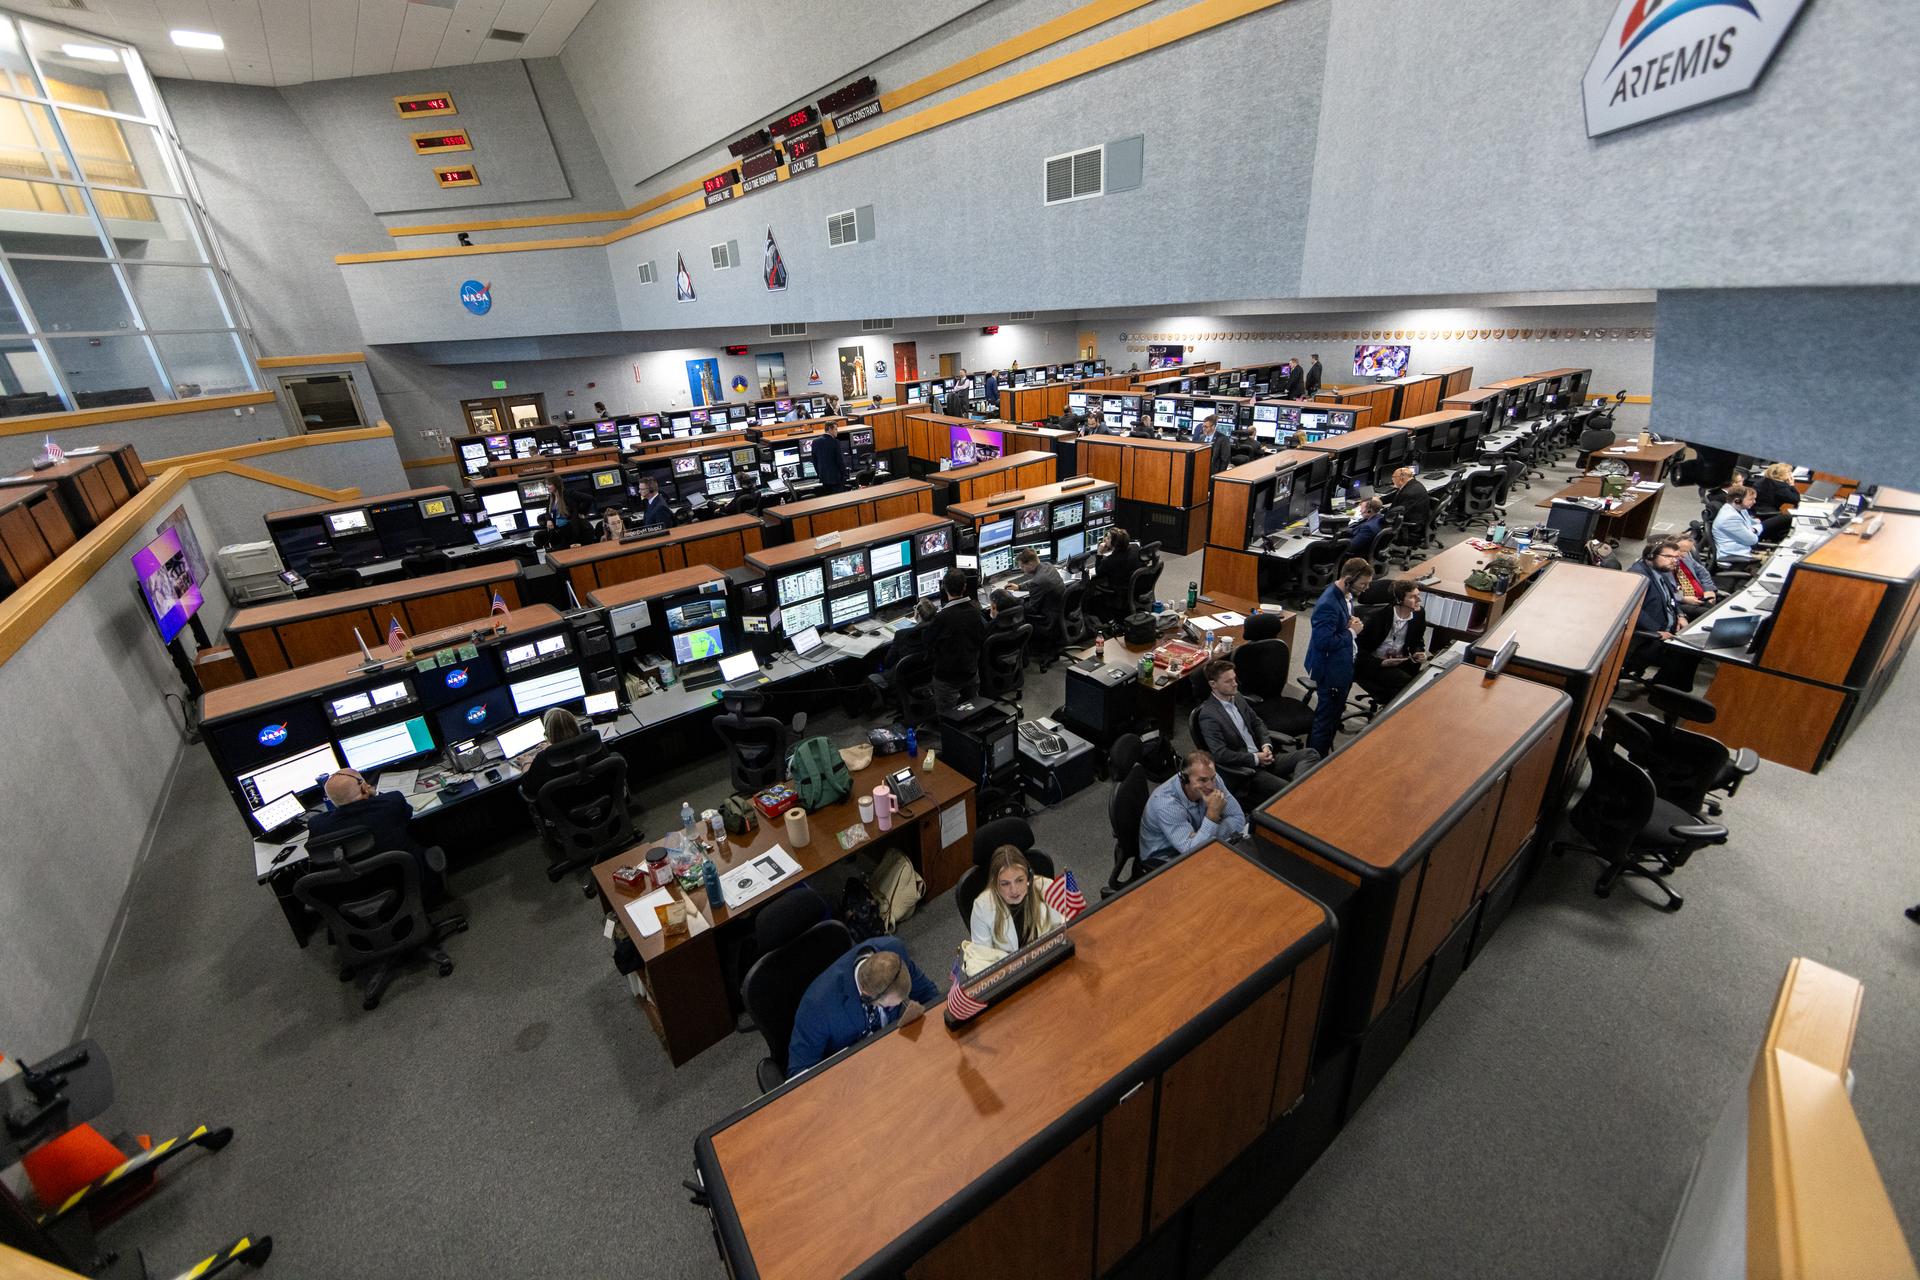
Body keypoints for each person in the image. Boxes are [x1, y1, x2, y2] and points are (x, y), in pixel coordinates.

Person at [786, 938, 938, 1077]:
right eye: (890, 1007)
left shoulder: (893, 952)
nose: (899, 1006)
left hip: (894, 1050)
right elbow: (799, 1072)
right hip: (851, 1072)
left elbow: (928, 993)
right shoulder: (816, 1008)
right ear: (867, 995)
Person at [306, 769, 450, 907]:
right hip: (407, 880)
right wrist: (374, 794)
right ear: (364, 787)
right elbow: (407, 814)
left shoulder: (317, 825)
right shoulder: (392, 802)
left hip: (355, 894)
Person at [1194, 659, 1319, 804]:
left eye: (1234, 678)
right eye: (1228, 681)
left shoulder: (1237, 696)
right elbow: (1220, 754)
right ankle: (1297, 795)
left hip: (1264, 757)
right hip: (1247, 771)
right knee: (1289, 791)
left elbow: (1257, 722)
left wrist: (1266, 745)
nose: (1235, 684)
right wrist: (1255, 758)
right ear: (1213, 684)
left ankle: (1297, 793)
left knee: (1310, 754)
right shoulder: (1209, 715)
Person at [1304, 557, 1371, 756]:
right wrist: (1352, 632)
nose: (1366, 588)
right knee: (1326, 721)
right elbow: (1323, 642)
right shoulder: (1328, 603)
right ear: (1348, 579)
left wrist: (1349, 621)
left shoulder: (1345, 595)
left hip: (1343, 664)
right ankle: (1315, 761)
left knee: (1334, 716)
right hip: (1331, 670)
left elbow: (1337, 624)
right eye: (1363, 584)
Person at [1138, 751, 1250, 868]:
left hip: (1196, 846)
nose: (1211, 786)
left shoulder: (1213, 779)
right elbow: (1193, 852)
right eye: (1202, 780)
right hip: (1166, 859)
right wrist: (1212, 815)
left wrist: (1201, 835)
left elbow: (1238, 818)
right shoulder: (1166, 804)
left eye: (1212, 778)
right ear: (1185, 779)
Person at [968, 846, 1069, 951]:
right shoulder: (982, 907)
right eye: (1005, 884)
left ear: (1028, 877)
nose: (1014, 890)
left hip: (1050, 954)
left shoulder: (1046, 887)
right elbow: (982, 956)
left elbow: (1067, 925)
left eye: (1019, 880)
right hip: (1008, 962)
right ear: (995, 885)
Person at [1624, 538, 1692, 689]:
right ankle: (1663, 693)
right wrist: (1656, 631)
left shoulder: (1661, 572)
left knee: (1694, 645)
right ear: (1650, 556)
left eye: (1676, 557)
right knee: (1687, 653)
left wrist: (1680, 615)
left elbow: (1671, 598)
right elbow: (1632, 609)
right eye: (1668, 556)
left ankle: (1666, 687)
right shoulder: (1638, 576)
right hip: (1649, 637)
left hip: (1669, 628)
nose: (1674, 561)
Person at [1354, 580, 1430, 703]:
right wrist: (1381, 663)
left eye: (1418, 595)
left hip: (1400, 662)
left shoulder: (1419, 614)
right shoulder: (1376, 618)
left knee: (1422, 682)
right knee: (1408, 687)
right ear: (1399, 600)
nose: (1419, 600)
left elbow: (1418, 641)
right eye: (1413, 597)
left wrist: (1418, 652)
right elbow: (1357, 650)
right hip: (1374, 664)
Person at [925, 567, 987, 713]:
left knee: (949, 717)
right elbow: (982, 636)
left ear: (944, 587)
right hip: (970, 671)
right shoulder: (975, 610)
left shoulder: (942, 617)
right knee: (972, 712)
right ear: (964, 587)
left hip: (947, 677)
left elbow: (927, 642)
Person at [515, 706, 611, 797]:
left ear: (548, 735)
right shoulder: (593, 743)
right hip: (600, 796)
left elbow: (528, 789)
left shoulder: (543, 758)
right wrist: (551, 748)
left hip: (565, 805)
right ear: (576, 726)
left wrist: (526, 763)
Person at [1670, 533, 1718, 618]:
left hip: (1702, 596)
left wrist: (1709, 589)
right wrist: (1683, 598)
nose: (1684, 554)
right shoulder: (1665, 565)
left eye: (1687, 551)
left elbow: (1703, 573)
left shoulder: (1686, 556)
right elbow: (1666, 591)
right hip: (1682, 603)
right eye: (1681, 550)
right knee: (1711, 614)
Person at [1713, 484, 1765, 558]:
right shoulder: (1730, 518)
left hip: (1745, 552)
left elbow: (1755, 523)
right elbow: (1752, 540)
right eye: (1751, 499)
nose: (1754, 502)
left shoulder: (1741, 509)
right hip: (1735, 557)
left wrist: (1752, 529)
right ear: (1737, 500)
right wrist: (1755, 529)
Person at [1752, 462, 1800, 540]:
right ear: (1781, 475)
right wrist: (1792, 485)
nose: (1791, 474)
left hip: (1754, 511)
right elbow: (1795, 499)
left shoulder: (1760, 481)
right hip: (1769, 514)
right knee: (1789, 519)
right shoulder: (1781, 486)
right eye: (1788, 472)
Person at [809, 420, 848, 494]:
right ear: (830, 429)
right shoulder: (835, 442)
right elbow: (840, 461)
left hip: (824, 479)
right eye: (835, 429)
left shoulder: (815, 442)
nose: (837, 431)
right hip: (836, 479)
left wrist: (820, 474)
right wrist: (844, 476)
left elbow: (814, 461)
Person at [1345, 498, 1388, 562]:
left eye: (1362, 508)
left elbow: (1351, 547)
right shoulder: (1380, 517)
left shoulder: (1368, 528)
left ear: (1369, 511)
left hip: (1357, 555)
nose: (1360, 511)